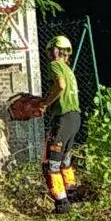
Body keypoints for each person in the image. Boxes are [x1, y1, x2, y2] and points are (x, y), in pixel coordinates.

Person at [38, 34, 82, 206]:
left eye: (50, 51)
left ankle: (62, 203)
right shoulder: (68, 70)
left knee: (51, 163)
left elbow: (60, 86)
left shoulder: (55, 65)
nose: (49, 55)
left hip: (63, 118)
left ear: (56, 51)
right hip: (75, 118)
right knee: (65, 161)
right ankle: (71, 194)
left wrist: (46, 104)